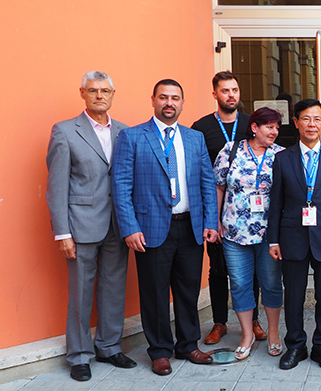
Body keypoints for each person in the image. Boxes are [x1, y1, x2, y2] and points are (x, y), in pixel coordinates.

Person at [111, 79, 219, 376]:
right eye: (163, 97)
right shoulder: (132, 137)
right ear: (153, 100)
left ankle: (187, 345)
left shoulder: (194, 138)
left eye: (175, 98)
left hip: (190, 228)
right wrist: (129, 227)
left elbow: (207, 183)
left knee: (187, 291)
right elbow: (120, 186)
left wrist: (210, 222)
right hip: (150, 229)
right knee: (155, 293)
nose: (169, 103)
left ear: (182, 103)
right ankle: (159, 351)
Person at [45, 71, 137, 382]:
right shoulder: (65, 131)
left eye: (105, 90)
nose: (99, 95)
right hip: (81, 225)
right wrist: (62, 232)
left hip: (117, 224)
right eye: (93, 90)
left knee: (114, 289)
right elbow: (56, 186)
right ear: (82, 93)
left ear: (113, 93)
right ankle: (79, 355)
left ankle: (109, 346)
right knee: (81, 292)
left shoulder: (125, 132)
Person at [268, 99, 321, 371]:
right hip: (292, 237)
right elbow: (276, 202)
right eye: (306, 119)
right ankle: (295, 346)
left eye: (317, 119)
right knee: (293, 295)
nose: (312, 124)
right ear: (296, 123)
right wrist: (273, 239)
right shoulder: (282, 159)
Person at [191, 71, 267, 345]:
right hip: (216, 212)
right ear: (215, 94)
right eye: (225, 91)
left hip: (251, 215)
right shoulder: (201, 128)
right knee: (218, 269)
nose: (231, 95)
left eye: (234, 90)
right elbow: (198, 171)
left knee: (256, 268)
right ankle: (219, 322)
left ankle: (255, 321)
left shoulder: (251, 123)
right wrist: (212, 218)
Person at [214, 106, 285, 360]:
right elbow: (219, 187)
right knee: (240, 284)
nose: (274, 131)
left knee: (271, 285)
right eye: (269, 126)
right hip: (234, 232)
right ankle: (247, 334)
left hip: (269, 235)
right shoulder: (230, 150)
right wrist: (215, 221)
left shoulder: (282, 155)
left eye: (277, 127)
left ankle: (274, 333)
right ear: (254, 127)